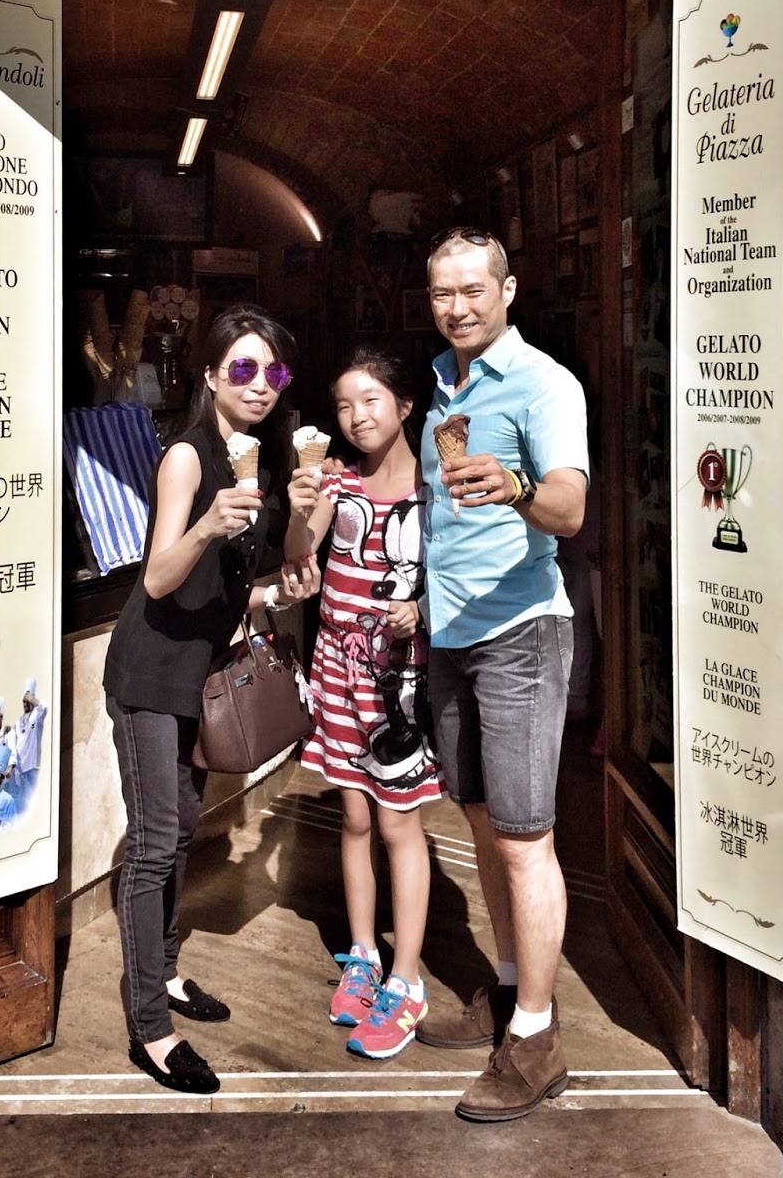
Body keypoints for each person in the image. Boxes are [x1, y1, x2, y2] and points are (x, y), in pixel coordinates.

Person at [103, 305, 320, 1098]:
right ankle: (149, 1030)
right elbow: (160, 577)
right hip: (148, 675)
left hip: (199, 676)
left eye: (274, 372)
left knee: (180, 831)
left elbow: (244, 587)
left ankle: (162, 972)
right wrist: (205, 527)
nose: (259, 385)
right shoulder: (188, 459)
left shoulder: (257, 464)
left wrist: (288, 580)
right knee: (154, 841)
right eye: (243, 368)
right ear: (209, 375)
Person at [414, 227, 588, 1124]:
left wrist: (516, 486)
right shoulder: (442, 385)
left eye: (473, 290)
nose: (457, 308)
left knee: (524, 838)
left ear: (507, 290)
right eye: (443, 293)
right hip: (451, 635)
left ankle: (536, 1040)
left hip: (519, 634)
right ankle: (511, 987)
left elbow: (569, 508)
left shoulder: (543, 383)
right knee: (481, 824)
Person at [285, 346, 442, 1061]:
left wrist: (424, 608)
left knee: (397, 823)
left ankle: (406, 979)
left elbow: (458, 571)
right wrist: (299, 511)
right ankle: (362, 956)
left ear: (405, 406)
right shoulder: (336, 480)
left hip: (399, 682)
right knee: (352, 817)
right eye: (344, 405)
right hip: (337, 669)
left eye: (371, 400)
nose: (356, 416)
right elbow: (300, 556)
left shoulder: (436, 486)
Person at [12, 680, 48, 809]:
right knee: (24, 802)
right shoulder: (17, 722)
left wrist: (31, 698)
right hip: (20, 769)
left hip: (33, 767)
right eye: (24, 701)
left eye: (28, 701)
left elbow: (44, 706)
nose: (26, 704)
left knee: (36, 801)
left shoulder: (36, 716)